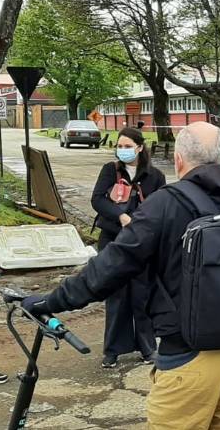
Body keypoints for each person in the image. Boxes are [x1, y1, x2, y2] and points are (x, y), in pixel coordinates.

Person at [21, 122, 220, 429]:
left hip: (189, 357)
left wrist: (51, 302)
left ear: (178, 161)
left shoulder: (164, 205)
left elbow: (110, 267)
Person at [91, 127, 166, 368]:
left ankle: (147, 347)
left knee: (142, 294)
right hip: (113, 240)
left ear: (140, 147)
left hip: (142, 243)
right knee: (117, 294)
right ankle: (113, 350)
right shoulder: (110, 170)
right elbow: (98, 199)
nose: (122, 150)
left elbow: (161, 207)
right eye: (119, 146)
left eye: (127, 146)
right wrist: (120, 217)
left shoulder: (155, 176)